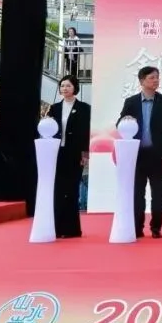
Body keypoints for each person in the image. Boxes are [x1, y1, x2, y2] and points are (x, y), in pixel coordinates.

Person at [119, 66, 162, 239]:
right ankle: (137, 227)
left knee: (158, 194)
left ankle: (156, 227)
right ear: (142, 81)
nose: (156, 80)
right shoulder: (131, 102)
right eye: (152, 77)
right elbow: (120, 124)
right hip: (137, 155)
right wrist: (125, 120)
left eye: (157, 77)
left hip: (158, 155)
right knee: (138, 193)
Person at [48, 75, 90, 239]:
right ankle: (57, 228)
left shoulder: (84, 108)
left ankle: (72, 229)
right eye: (62, 86)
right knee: (58, 190)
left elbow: (85, 132)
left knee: (72, 190)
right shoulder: (54, 108)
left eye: (68, 86)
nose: (64, 88)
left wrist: (85, 153)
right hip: (57, 153)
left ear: (75, 88)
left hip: (75, 153)